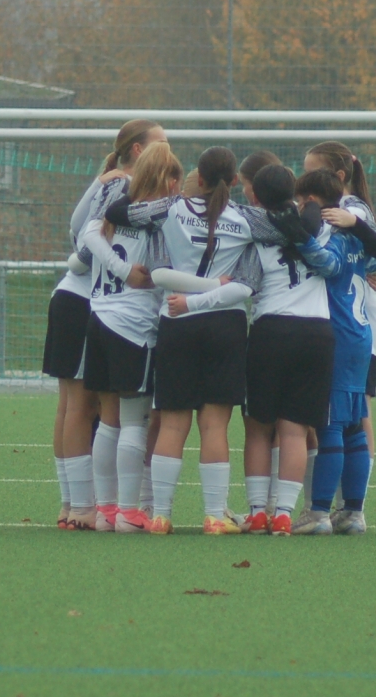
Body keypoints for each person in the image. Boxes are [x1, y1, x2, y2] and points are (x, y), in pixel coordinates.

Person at [105, 145, 261, 535]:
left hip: (176, 320)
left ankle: (160, 516)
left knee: (172, 424)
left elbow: (121, 212)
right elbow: (258, 269)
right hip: (225, 324)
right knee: (215, 426)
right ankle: (213, 516)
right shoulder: (247, 219)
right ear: (235, 181)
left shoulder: (170, 209)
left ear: (199, 178)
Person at [48, 119, 167, 528]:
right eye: (162, 143)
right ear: (138, 151)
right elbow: (82, 245)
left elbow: (78, 235)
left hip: (80, 299)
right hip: (90, 303)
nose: (168, 150)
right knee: (87, 408)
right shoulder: (125, 188)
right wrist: (120, 267)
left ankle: (76, 504)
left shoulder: (111, 183)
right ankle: (85, 506)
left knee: (75, 406)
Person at [76, 141, 182, 533]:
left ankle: (105, 510)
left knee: (109, 421)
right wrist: (128, 272)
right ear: (168, 180)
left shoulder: (115, 207)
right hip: (133, 327)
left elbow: (87, 234)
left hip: (99, 318)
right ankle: (128, 512)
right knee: (135, 422)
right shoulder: (161, 216)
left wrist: (117, 269)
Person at [289, 167, 376, 535]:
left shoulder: (331, 233)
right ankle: (352, 512)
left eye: (301, 202)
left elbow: (328, 264)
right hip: (361, 335)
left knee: (329, 423)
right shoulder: (355, 235)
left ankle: (318, 513)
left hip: (337, 335)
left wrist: (300, 239)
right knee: (354, 425)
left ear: (311, 201)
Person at [236, 161, 334, 536]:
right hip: (317, 332)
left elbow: (246, 283)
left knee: (259, 428)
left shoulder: (256, 234)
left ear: (257, 197)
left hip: (272, 329)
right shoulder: (322, 226)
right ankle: (284, 515)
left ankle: (258, 512)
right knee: (295, 430)